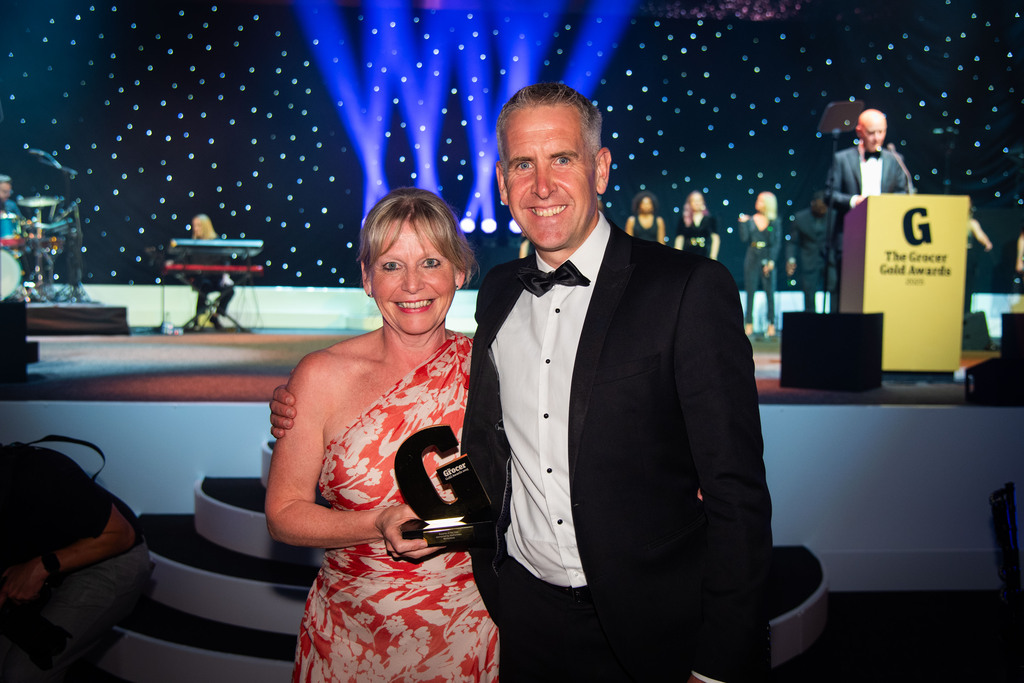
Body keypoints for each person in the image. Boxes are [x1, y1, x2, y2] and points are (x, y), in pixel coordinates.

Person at [272, 84, 771, 683]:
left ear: (601, 168)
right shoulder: (501, 295)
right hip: (520, 619)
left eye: (562, 158)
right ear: (503, 184)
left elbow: (736, 491)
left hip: (647, 622)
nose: (542, 185)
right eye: (522, 165)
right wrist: (301, 407)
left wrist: (718, 664)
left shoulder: (687, 288)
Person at [263, 188, 498, 682]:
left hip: (470, 636)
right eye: (391, 266)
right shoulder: (320, 376)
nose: (412, 284)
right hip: (348, 640)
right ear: (367, 278)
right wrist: (377, 522)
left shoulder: (494, 368)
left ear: (459, 271)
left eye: (431, 262)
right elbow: (283, 515)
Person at [0, 439, 152, 683]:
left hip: (110, 555)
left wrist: (40, 567)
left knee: (23, 674)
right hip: (50, 568)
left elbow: (121, 535)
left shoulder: (40, 470)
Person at [785, 191, 836, 313]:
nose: (822, 210)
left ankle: (835, 319)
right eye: (819, 207)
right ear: (813, 204)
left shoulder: (833, 216)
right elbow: (792, 242)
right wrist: (791, 259)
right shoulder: (800, 218)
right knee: (809, 293)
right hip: (809, 260)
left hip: (829, 260)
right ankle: (811, 321)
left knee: (834, 288)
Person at [739, 192, 781, 337]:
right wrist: (742, 223)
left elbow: (776, 243)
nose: (758, 202)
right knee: (750, 290)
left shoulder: (774, 221)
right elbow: (744, 238)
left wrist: (771, 260)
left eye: (761, 200)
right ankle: (748, 323)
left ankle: (771, 323)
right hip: (752, 255)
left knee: (770, 291)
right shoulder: (750, 220)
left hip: (767, 256)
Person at [186, 214, 234, 330]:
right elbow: (186, 261)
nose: (195, 229)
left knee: (230, 290)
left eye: (198, 225)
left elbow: (225, 261)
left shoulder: (217, 242)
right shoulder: (193, 244)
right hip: (201, 278)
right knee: (203, 286)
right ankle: (198, 320)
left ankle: (215, 316)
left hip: (216, 278)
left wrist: (225, 276)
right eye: (194, 226)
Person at [964, 200, 993, 314]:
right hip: (953, 257)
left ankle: (966, 313)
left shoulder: (971, 223)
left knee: (967, 289)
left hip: (966, 258)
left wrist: (986, 243)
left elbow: (981, 237)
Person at [675, 190, 721, 260]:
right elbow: (679, 239)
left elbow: (715, 238)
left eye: (699, 200)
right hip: (687, 255)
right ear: (690, 203)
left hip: (705, 255)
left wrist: (713, 256)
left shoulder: (710, 220)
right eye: (694, 200)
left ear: (703, 202)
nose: (697, 203)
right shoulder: (683, 220)